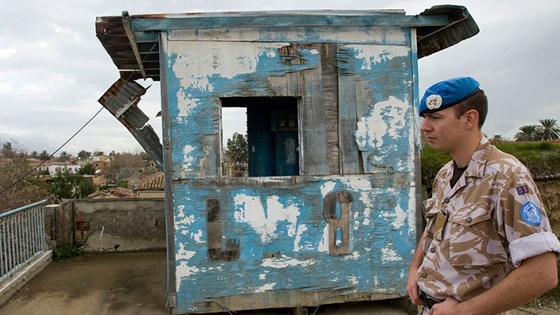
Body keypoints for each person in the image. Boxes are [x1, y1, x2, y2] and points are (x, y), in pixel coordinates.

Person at [406, 77, 560, 315]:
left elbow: (543, 273)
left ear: (469, 118)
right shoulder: (445, 174)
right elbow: (433, 230)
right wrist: (415, 269)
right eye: (425, 118)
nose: (425, 127)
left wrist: (462, 311)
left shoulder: (508, 176)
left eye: (435, 118)